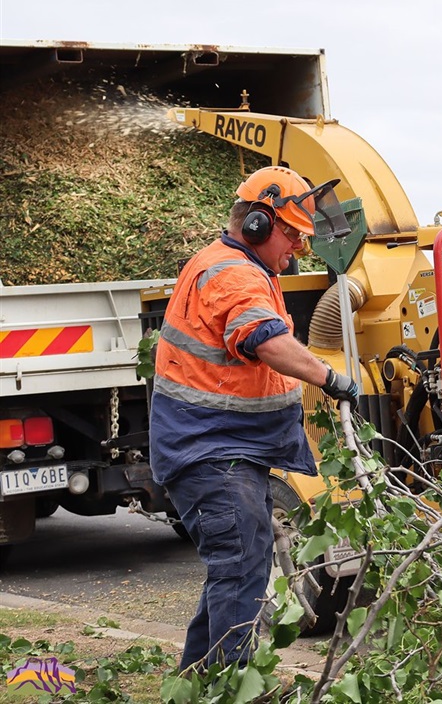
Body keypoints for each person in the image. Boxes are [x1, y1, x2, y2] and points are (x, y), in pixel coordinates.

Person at [149, 165, 359, 670]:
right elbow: (266, 342)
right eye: (292, 234)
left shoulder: (239, 267)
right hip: (210, 450)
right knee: (240, 564)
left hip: (221, 448)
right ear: (259, 225)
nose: (300, 248)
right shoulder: (234, 273)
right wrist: (329, 378)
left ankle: (204, 681)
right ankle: (233, 684)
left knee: (239, 565)